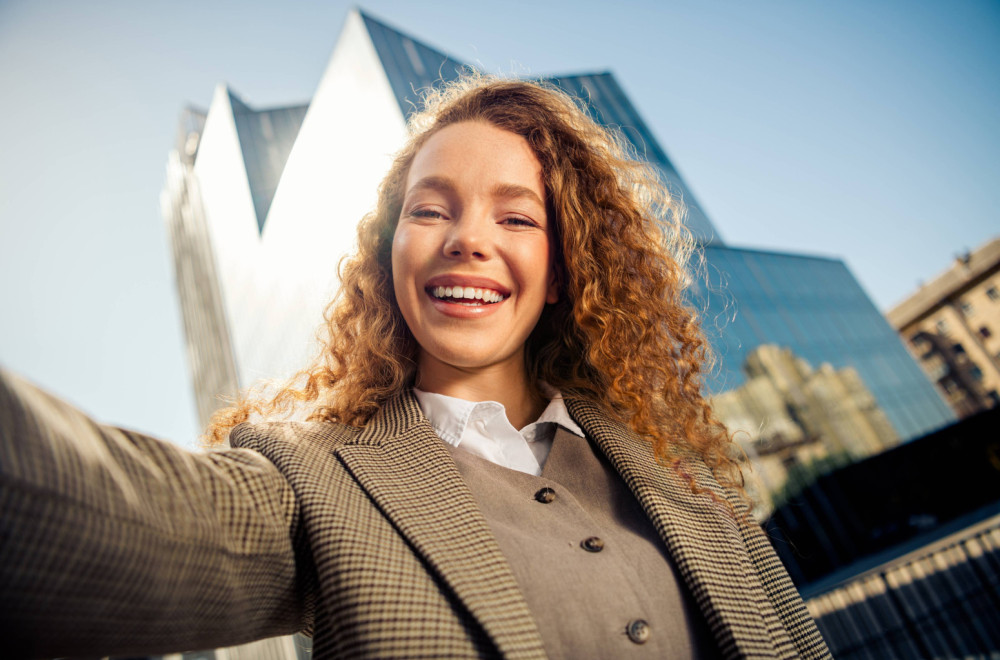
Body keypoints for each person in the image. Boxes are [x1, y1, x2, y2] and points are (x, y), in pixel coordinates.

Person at [0, 75, 830, 659]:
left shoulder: (678, 476)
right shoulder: (313, 477)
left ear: (562, 270)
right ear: (389, 256)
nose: (468, 238)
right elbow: (95, 510)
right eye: (430, 210)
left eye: (517, 217)